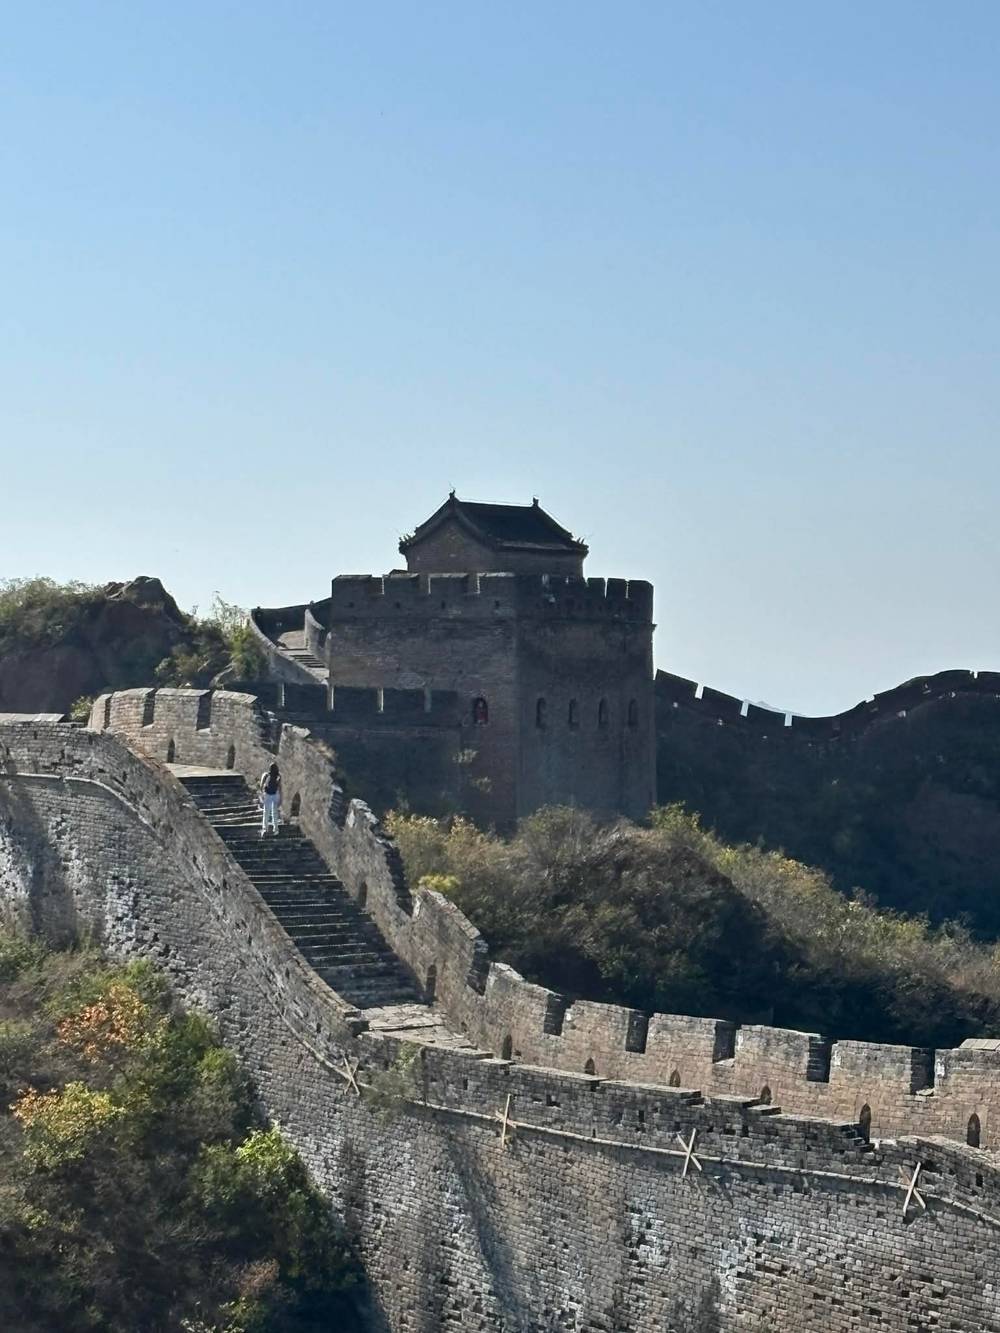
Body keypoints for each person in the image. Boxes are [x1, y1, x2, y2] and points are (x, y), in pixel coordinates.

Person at [259, 762, 282, 837]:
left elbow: (261, 785)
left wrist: (280, 797)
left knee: (270, 812)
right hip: (270, 794)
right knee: (270, 812)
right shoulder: (268, 775)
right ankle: (269, 829)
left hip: (272, 794)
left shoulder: (277, 776)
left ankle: (272, 829)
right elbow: (262, 784)